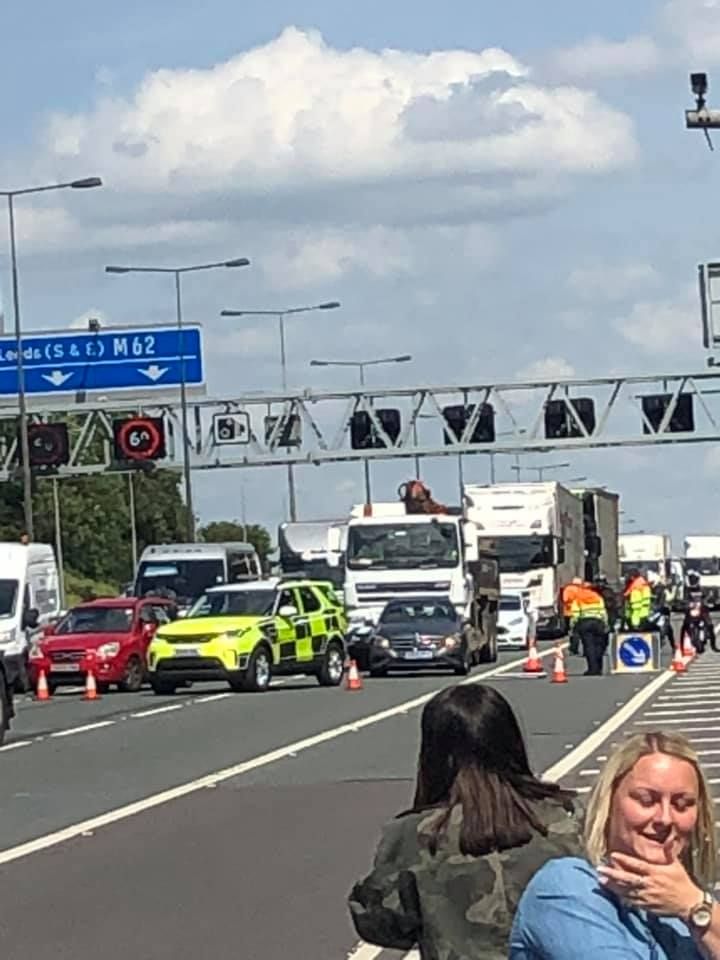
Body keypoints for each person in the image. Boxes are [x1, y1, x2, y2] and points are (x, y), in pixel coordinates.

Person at [348, 684, 582, 960]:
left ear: (433, 755)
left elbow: (382, 924)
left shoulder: (415, 835)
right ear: (511, 744)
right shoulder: (564, 816)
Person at [510, 730, 720, 959]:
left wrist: (696, 907)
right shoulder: (567, 889)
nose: (665, 819)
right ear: (609, 802)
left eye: (682, 804)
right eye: (646, 800)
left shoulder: (688, 905)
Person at [570, 581, 609, 676]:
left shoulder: (578, 598)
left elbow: (575, 614)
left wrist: (573, 626)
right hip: (598, 622)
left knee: (589, 646)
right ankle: (599, 668)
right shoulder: (597, 597)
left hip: (585, 623)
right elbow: (603, 612)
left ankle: (592, 669)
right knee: (599, 645)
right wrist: (605, 623)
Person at [681, 573, 717, 653]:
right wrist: (684, 604)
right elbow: (684, 600)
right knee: (685, 625)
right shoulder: (686, 590)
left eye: (694, 580)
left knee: (710, 625)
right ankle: (684, 642)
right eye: (691, 580)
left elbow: (707, 597)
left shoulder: (702, 589)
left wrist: (709, 602)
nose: (693, 582)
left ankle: (713, 645)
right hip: (691, 611)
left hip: (702, 611)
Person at [561, 578, 584, 655]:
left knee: (571, 631)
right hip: (577, 613)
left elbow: (565, 599)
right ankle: (574, 648)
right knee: (577, 632)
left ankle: (572, 647)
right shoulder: (580, 590)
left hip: (567, 613)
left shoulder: (567, 589)